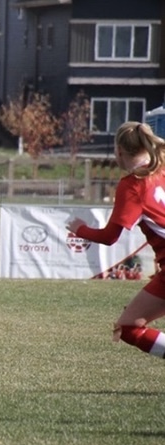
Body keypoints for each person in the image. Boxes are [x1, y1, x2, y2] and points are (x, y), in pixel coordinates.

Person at [66, 120, 165, 359]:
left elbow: (110, 237)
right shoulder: (161, 170)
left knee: (129, 328)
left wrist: (80, 229)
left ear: (118, 151)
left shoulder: (133, 186)